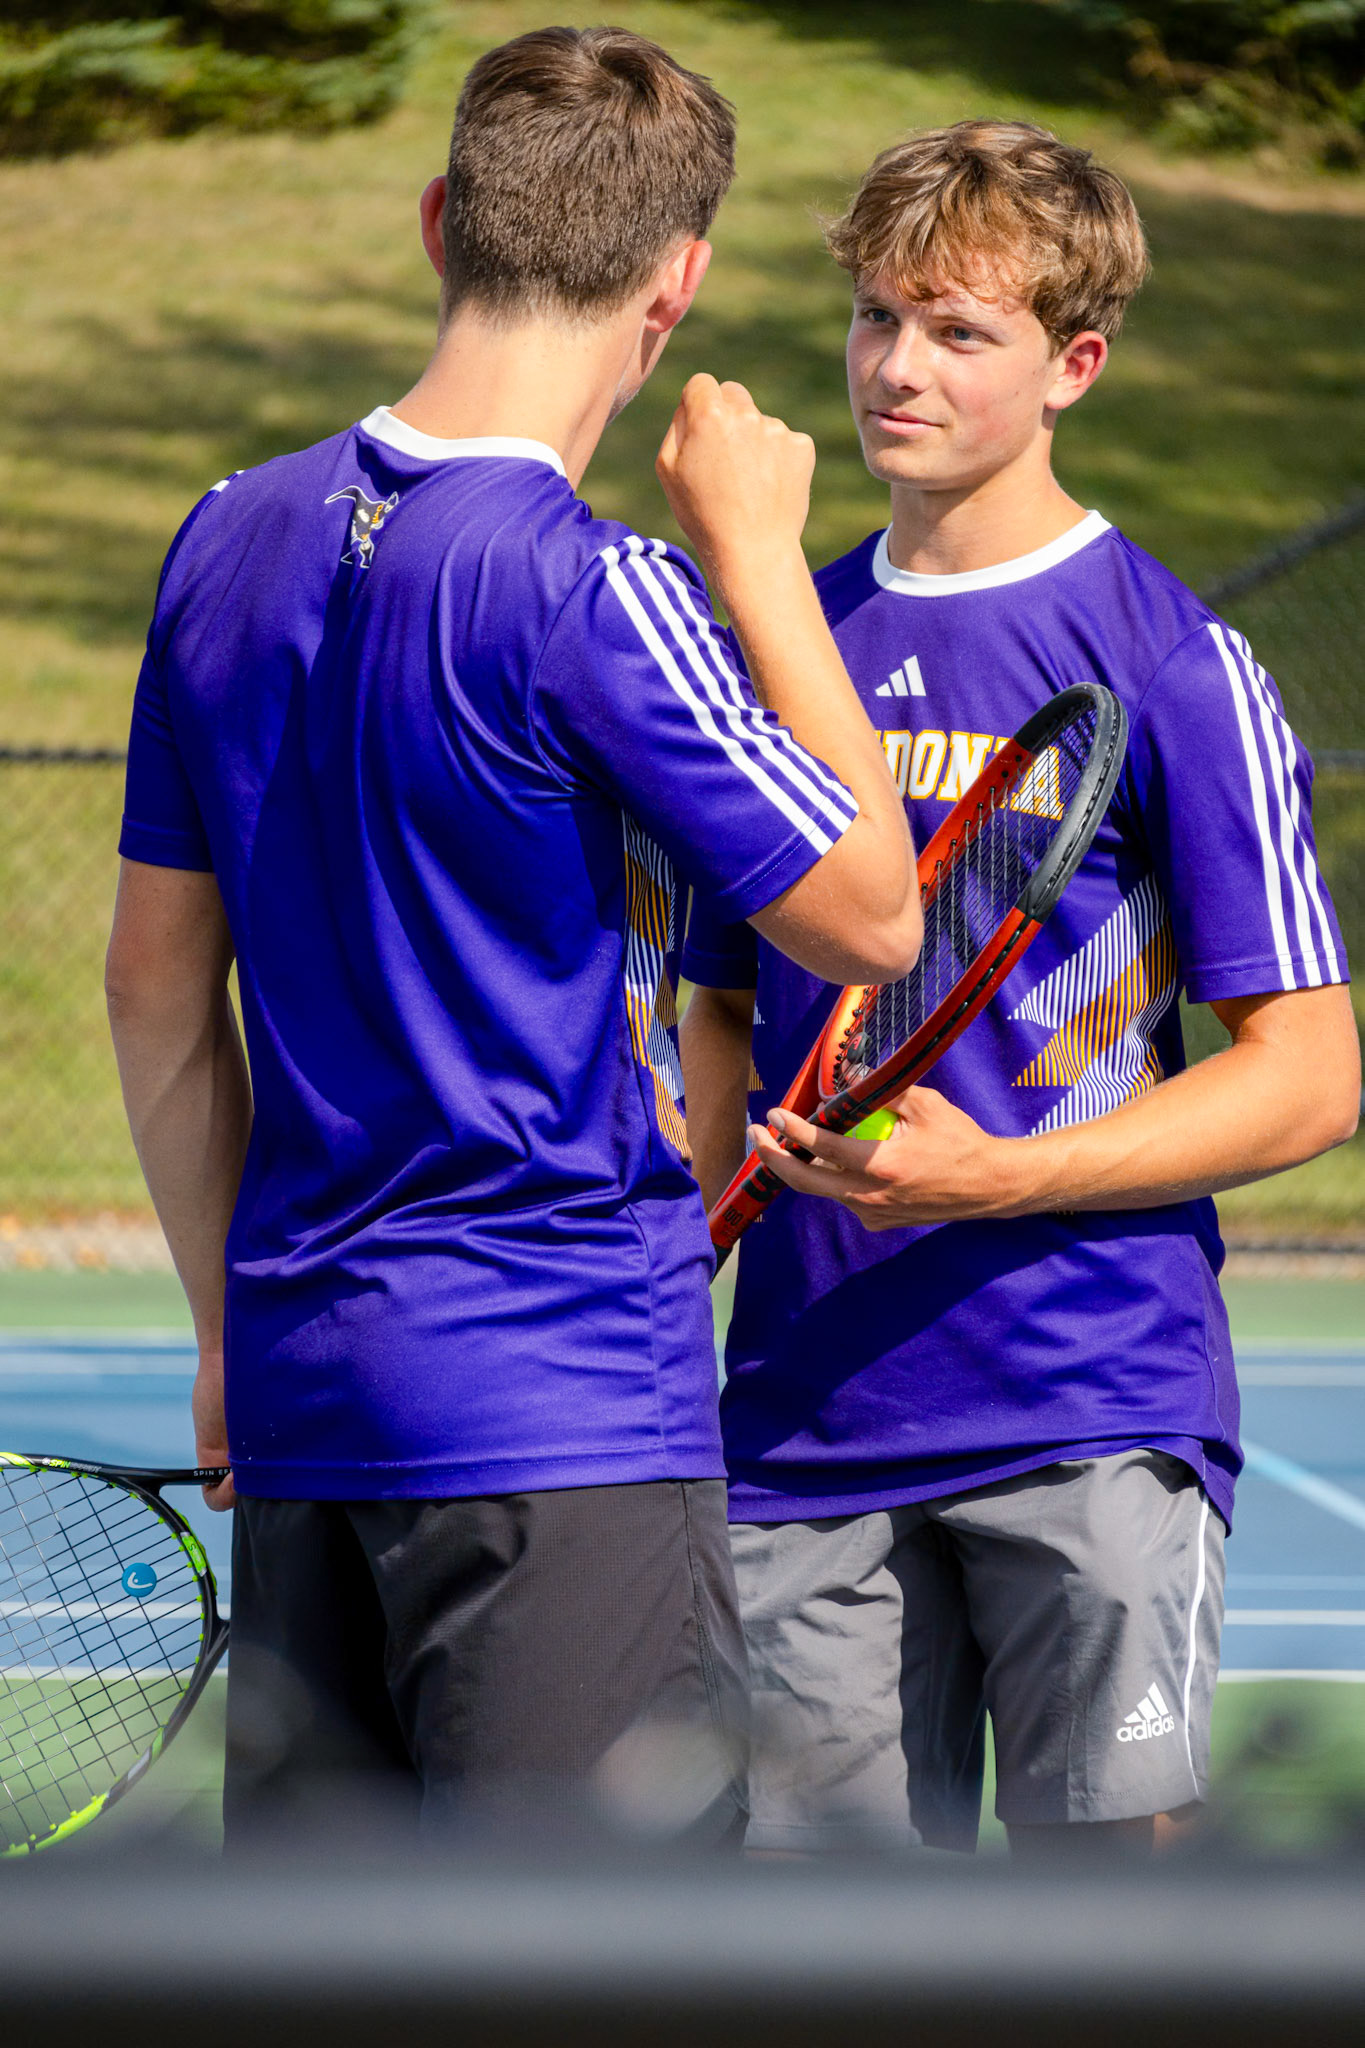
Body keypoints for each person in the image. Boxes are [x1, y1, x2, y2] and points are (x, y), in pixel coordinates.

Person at [105, 25, 920, 1848]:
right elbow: (870, 912)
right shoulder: (595, 583)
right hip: (557, 1414)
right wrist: (767, 558)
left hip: (314, 1398)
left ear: (436, 224)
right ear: (677, 280)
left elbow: (156, 997)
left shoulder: (223, 536)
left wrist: (230, 1323)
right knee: (598, 1995)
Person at [680, 120, 1359, 1861]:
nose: (894, 368)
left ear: (1075, 365)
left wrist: (997, 1179)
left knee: (1109, 1953)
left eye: (957, 331)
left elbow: (1306, 1076)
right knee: (821, 1966)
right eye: (873, 318)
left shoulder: (1172, 664)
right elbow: (723, 1021)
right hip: (800, 1425)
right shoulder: (777, 632)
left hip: (1088, 1396)